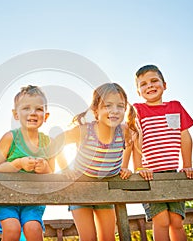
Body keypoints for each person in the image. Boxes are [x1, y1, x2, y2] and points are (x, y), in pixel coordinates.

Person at [53, 83, 138, 241]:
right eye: (108, 105)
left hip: (105, 187)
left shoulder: (124, 130)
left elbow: (131, 143)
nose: (114, 111)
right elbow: (57, 141)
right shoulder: (86, 131)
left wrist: (125, 167)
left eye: (120, 106)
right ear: (96, 110)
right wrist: (65, 168)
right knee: (88, 237)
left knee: (108, 237)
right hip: (80, 187)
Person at [133, 64, 193, 241]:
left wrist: (187, 165)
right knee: (161, 220)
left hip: (173, 175)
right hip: (150, 176)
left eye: (154, 81)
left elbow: (185, 137)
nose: (150, 86)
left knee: (176, 221)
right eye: (143, 84)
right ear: (138, 91)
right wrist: (139, 167)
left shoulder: (175, 107)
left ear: (165, 84)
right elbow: (134, 140)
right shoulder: (137, 110)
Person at [0, 85, 55, 241]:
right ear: (16, 114)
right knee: (12, 228)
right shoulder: (10, 138)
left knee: (33, 228)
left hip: (33, 200)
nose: (32, 113)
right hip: (6, 198)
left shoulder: (49, 143)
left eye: (38, 109)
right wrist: (18, 163)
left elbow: (53, 173)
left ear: (46, 116)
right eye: (26, 108)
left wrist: (44, 167)